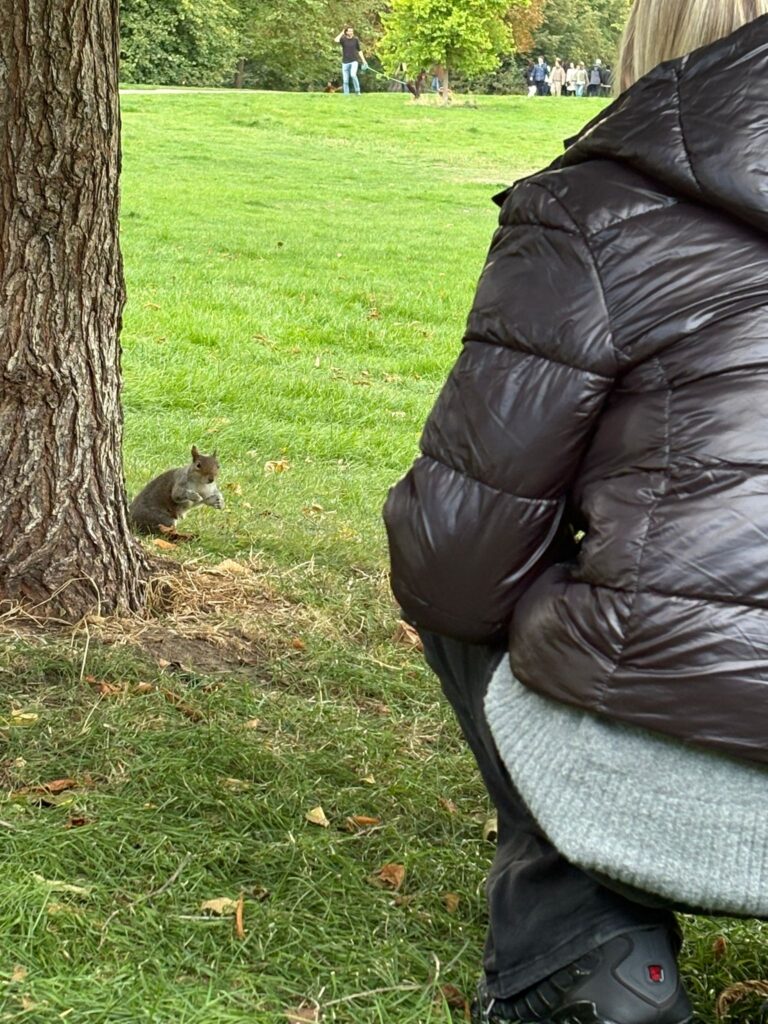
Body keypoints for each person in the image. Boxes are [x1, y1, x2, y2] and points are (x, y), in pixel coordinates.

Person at [383, 2, 768, 1023]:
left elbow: (454, 562)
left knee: (464, 551)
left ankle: (583, 939)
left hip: (686, 755)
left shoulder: (592, 210)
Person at [333, 27, 367, 95]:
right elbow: (336, 40)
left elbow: (359, 51)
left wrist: (364, 60)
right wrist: (341, 33)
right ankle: (346, 94)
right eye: (349, 31)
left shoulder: (355, 39)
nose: (351, 32)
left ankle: (357, 91)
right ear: (346, 32)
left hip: (354, 61)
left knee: (353, 75)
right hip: (345, 62)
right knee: (345, 81)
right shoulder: (343, 39)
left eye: (352, 31)